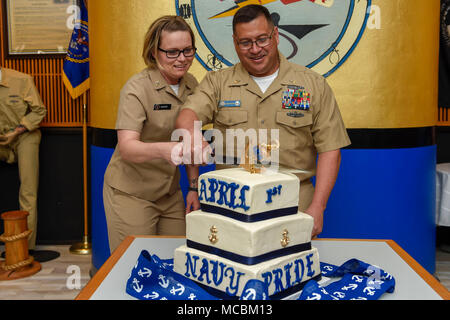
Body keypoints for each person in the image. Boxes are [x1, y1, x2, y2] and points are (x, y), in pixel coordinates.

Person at [175, 5, 351, 238]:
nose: (255, 49)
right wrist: (193, 135)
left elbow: (330, 149)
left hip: (293, 208)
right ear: (235, 43)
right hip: (232, 210)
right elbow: (188, 114)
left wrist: (318, 207)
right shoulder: (218, 83)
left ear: (276, 35)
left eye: (262, 39)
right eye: (245, 42)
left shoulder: (312, 85)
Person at [103, 15, 200, 253]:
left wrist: (194, 187)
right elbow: (127, 147)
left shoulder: (192, 85)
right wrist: (164, 149)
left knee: (175, 261)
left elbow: (190, 139)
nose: (182, 59)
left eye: (188, 51)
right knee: (136, 266)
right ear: (154, 52)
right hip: (132, 194)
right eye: (172, 52)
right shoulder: (137, 88)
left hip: (169, 194)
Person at [0, 67, 47, 251]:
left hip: (23, 136)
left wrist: (17, 131)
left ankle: (25, 248)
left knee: (28, 191)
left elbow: (39, 111)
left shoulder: (22, 79)